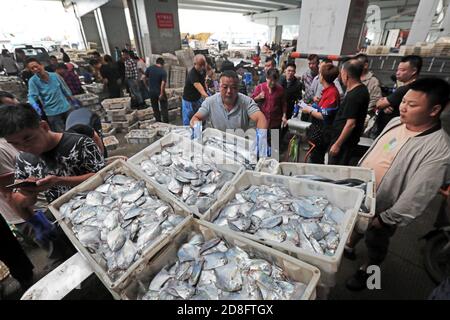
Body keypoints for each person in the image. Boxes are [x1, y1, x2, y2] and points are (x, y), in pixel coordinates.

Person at [345, 78, 450, 291]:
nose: (403, 107)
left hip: (385, 207)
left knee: (376, 243)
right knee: (355, 225)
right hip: (362, 192)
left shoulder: (439, 149)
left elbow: (419, 194)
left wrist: (387, 218)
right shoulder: (396, 122)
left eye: (412, 105)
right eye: (403, 101)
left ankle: (369, 274)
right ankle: (349, 245)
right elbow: (376, 150)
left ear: (434, 110)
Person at [0, 104, 105, 249]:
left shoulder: (79, 143)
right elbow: (19, 200)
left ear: (43, 126)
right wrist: (30, 193)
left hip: (100, 208)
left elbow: (102, 176)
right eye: (15, 144)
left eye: (28, 139)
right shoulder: (23, 160)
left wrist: (59, 181)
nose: (23, 147)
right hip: (65, 218)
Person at [190, 70, 267, 132]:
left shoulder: (246, 102)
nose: (229, 91)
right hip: (217, 145)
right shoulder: (210, 102)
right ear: (219, 87)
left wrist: (260, 138)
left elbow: (261, 118)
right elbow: (196, 118)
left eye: (233, 87)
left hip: (239, 145)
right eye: (225, 87)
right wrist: (198, 129)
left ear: (238, 88)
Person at [328, 59, 370, 165]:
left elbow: (350, 124)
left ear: (346, 75)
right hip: (343, 141)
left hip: (344, 144)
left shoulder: (355, 95)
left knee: (335, 171)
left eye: (341, 73)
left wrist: (337, 144)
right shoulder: (360, 90)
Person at [302, 63, 340, 164]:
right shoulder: (328, 91)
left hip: (322, 133)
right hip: (317, 130)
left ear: (322, 77)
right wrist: (315, 105)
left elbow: (324, 115)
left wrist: (309, 110)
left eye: (320, 73)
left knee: (316, 159)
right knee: (314, 156)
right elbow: (323, 109)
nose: (318, 76)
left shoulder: (332, 93)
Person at [375, 55, 422, 135]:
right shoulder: (415, 86)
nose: (397, 73)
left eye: (402, 70)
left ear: (414, 71)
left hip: (392, 132)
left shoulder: (405, 89)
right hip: (394, 130)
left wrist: (383, 103)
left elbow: (379, 104)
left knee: (387, 147)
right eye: (397, 70)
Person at [26, 58, 74, 132]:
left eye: (36, 66)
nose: (35, 69)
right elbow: (32, 96)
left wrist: (72, 100)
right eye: (32, 68)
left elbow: (65, 89)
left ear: (41, 65)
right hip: (52, 112)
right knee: (61, 133)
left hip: (65, 107)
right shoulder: (33, 81)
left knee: (73, 127)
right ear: (31, 71)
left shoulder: (55, 76)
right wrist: (35, 106)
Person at [252, 68, 288, 153]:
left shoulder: (280, 90)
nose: (272, 83)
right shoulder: (260, 88)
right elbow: (251, 100)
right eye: (270, 80)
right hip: (262, 122)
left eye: (274, 81)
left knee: (274, 146)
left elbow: (284, 104)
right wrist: (258, 97)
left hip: (275, 123)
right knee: (261, 146)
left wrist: (284, 115)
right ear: (266, 78)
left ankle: (273, 161)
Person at [182, 54, 208, 126]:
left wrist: (207, 91)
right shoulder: (192, 74)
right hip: (188, 100)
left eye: (203, 65)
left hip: (197, 99)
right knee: (189, 121)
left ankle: (200, 132)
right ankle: (188, 135)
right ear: (195, 64)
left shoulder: (203, 70)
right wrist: (208, 98)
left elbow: (203, 82)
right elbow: (200, 89)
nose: (202, 67)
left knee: (200, 118)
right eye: (200, 65)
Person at [145, 57, 169, 123]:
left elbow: (144, 77)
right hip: (159, 91)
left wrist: (147, 86)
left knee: (155, 107)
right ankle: (166, 122)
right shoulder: (163, 71)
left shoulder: (149, 68)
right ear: (163, 64)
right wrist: (161, 93)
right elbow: (163, 83)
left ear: (156, 62)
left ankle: (158, 121)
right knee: (164, 107)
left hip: (152, 91)